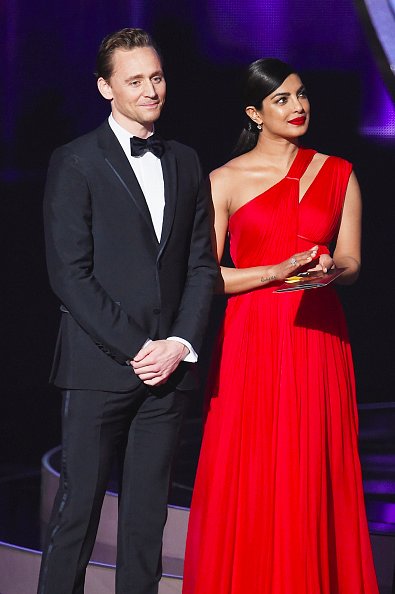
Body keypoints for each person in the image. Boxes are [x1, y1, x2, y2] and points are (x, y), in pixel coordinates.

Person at [182, 58, 379, 594]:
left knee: (311, 471)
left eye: (301, 95)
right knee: (250, 471)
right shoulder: (223, 179)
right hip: (251, 340)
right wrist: (274, 271)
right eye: (283, 100)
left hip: (317, 335)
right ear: (255, 112)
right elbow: (206, 277)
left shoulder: (338, 172)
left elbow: (354, 262)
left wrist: (330, 270)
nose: (298, 107)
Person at [37, 27, 217, 594]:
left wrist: (179, 344)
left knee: (147, 524)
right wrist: (141, 348)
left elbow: (200, 266)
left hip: (168, 370)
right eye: (135, 80)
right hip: (100, 368)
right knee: (76, 515)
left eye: (156, 77)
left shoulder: (186, 160)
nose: (150, 90)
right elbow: (70, 273)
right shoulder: (75, 161)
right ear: (105, 87)